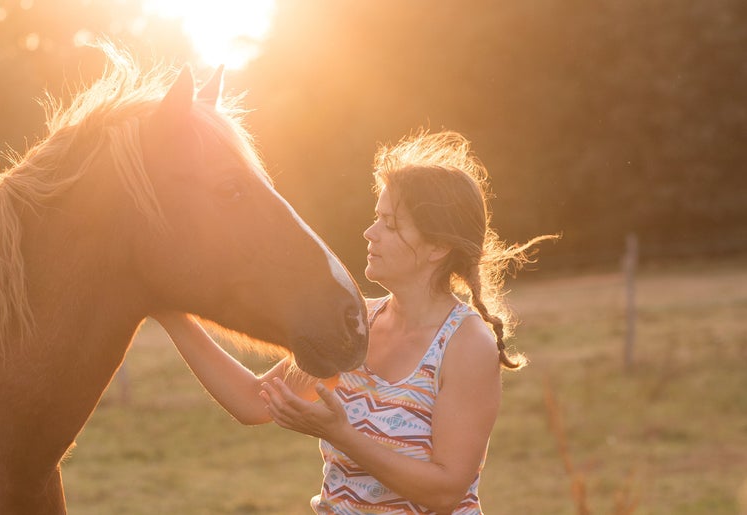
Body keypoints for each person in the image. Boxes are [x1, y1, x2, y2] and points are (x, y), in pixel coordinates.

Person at [153, 129, 554, 514]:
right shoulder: (355, 324)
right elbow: (252, 402)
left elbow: (446, 491)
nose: (369, 232)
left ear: (438, 247)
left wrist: (340, 434)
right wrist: (171, 313)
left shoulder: (467, 345)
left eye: (390, 224)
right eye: (376, 217)